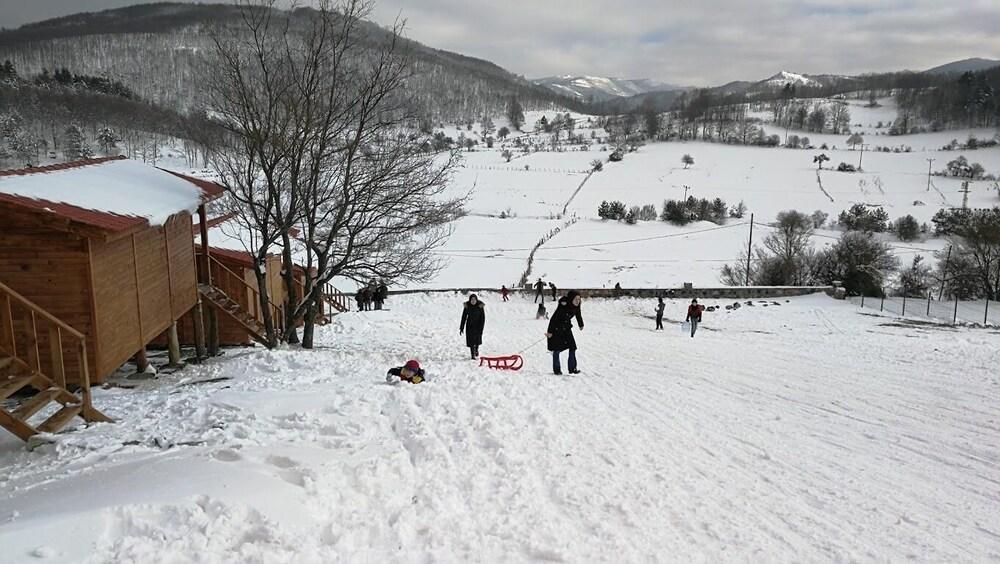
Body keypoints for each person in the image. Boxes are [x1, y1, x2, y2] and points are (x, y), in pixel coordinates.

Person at [546, 290, 584, 375]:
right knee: (557, 349)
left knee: (573, 347)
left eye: (579, 299)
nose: (578, 301)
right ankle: (557, 370)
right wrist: (550, 332)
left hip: (567, 329)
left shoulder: (576, 306)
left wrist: (581, 324)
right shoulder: (563, 306)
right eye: (576, 299)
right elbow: (553, 319)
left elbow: (578, 314)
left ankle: (572, 368)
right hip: (557, 329)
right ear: (571, 299)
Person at [460, 294, 486, 359]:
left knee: (477, 340)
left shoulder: (480, 306)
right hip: (470, 326)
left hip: (478, 325)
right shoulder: (467, 306)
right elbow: (464, 317)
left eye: (474, 300)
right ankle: (472, 354)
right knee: (471, 341)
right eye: (472, 300)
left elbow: (482, 318)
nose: (473, 301)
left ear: (476, 300)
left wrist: (481, 328)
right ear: (470, 300)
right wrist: (461, 328)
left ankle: (476, 350)